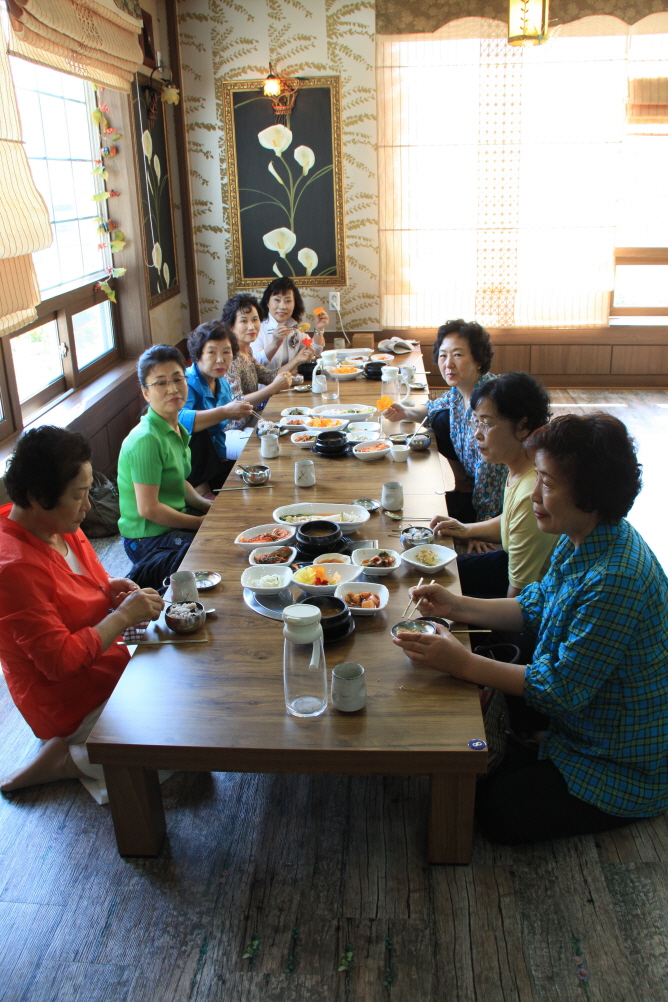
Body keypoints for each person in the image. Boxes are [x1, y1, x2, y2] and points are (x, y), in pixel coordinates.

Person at [393, 413, 668, 845]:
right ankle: (529, 741)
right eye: (538, 477)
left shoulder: (617, 578)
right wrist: (457, 604)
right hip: (579, 706)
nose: (535, 494)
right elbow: (535, 605)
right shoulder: (583, 536)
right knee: (465, 695)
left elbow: (559, 690)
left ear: (590, 495)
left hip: (618, 751)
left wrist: (464, 662)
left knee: (499, 812)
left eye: (549, 483)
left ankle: (534, 747)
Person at [0, 427, 163, 801]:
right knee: (183, 742)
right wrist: (122, 617)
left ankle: (93, 751)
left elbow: (74, 584)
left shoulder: (58, 523)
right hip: (69, 700)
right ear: (38, 497)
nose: (88, 505)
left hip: (107, 660)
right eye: (79, 495)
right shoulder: (13, 569)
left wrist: (108, 587)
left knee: (188, 673)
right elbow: (59, 662)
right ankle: (68, 760)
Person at [431, 372, 556, 599]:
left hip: (540, 594)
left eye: (487, 424)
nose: (477, 434)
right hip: (511, 560)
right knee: (439, 571)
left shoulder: (532, 493)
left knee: (442, 588)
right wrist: (465, 529)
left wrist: (456, 608)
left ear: (523, 426)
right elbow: (512, 521)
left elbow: (519, 602)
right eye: (476, 422)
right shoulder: (521, 465)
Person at [384, 320, 506, 522]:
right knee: (440, 418)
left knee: (425, 514)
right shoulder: (459, 391)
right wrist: (405, 412)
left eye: (457, 355)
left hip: (497, 505)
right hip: (473, 486)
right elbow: (432, 408)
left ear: (478, 359)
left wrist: (479, 526)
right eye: (443, 355)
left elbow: (491, 477)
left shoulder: (490, 403)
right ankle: (461, 485)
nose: (448, 363)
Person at [118, 345, 212, 590]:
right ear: (145, 392)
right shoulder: (146, 439)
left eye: (178, 379)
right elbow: (149, 509)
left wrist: (205, 505)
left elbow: (177, 479)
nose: (172, 389)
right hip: (147, 537)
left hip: (173, 523)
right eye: (160, 383)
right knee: (210, 551)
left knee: (227, 531)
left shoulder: (176, 427)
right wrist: (199, 523)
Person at [222, 293, 309, 460]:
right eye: (244, 321)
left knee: (292, 429)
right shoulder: (230, 357)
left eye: (255, 320)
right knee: (271, 445)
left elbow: (269, 376)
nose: (251, 326)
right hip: (229, 430)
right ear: (231, 326)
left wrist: (298, 359)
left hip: (249, 421)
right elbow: (237, 402)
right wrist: (272, 388)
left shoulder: (247, 351)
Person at [179, 321, 254, 492]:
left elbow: (219, 432)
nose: (220, 360)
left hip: (212, 461)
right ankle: (202, 494)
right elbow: (178, 420)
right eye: (212, 352)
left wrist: (221, 464)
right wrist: (224, 412)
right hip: (186, 469)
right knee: (197, 433)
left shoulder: (222, 383)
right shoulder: (186, 383)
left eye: (226, 352)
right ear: (197, 355)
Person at [251, 277, 329, 370]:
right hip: (266, 380)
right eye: (277, 300)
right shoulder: (257, 328)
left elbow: (316, 351)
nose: (282, 306)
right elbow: (254, 364)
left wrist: (319, 329)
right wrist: (275, 344)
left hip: (291, 378)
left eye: (288, 301)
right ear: (267, 302)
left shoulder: (294, 327)